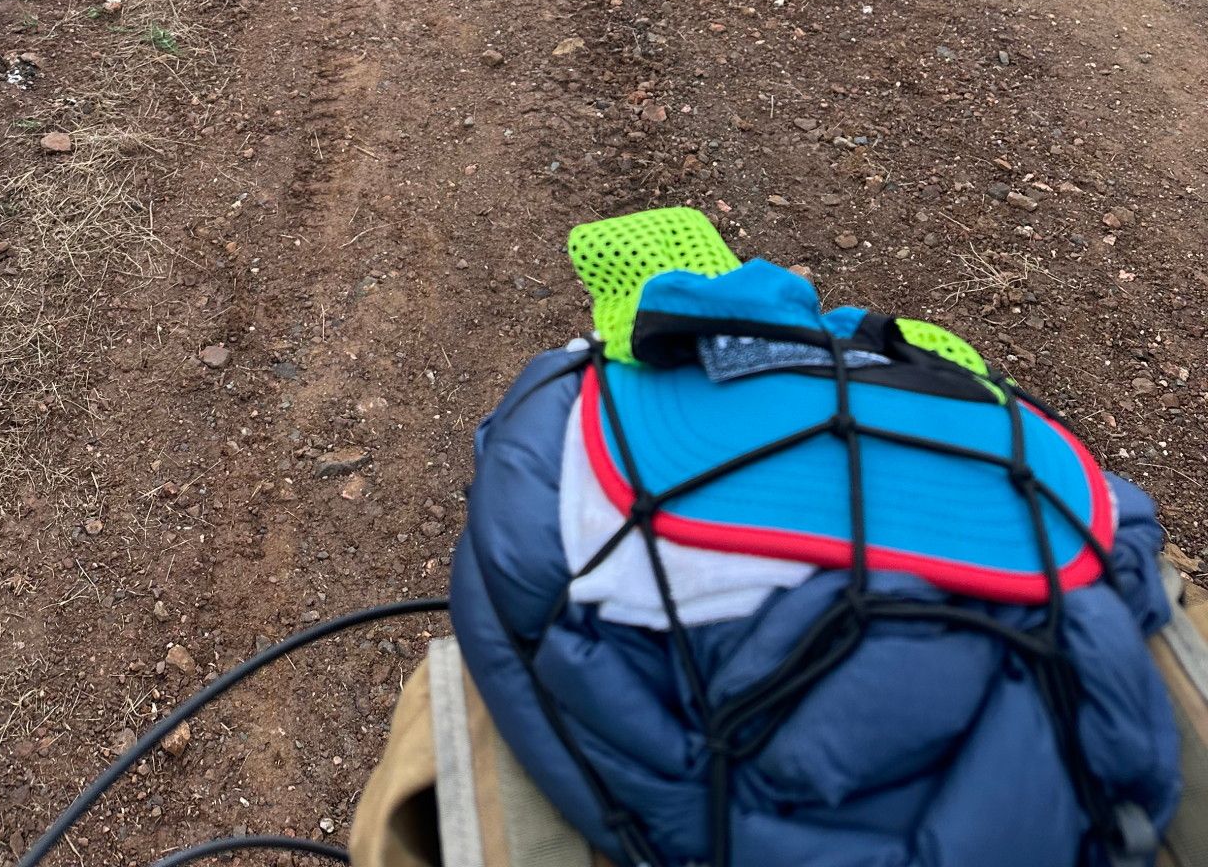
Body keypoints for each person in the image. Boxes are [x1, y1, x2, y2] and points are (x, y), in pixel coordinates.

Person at [447, 206, 1182, 867]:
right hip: (1080, 716)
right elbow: (1112, 514)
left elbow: (518, 592)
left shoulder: (565, 419)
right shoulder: (895, 351)